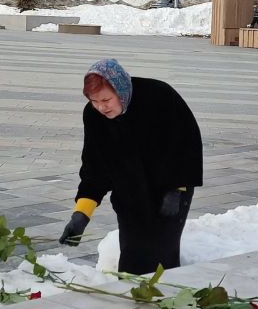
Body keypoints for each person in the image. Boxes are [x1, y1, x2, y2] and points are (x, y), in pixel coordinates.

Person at [59, 59, 203, 275]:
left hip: (169, 190)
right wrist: (81, 214)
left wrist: (177, 188)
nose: (101, 107)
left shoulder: (159, 96)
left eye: (106, 99)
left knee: (162, 253)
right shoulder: (94, 117)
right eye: (94, 101)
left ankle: (167, 300)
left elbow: (184, 143)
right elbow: (94, 166)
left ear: (121, 90)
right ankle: (131, 300)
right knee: (133, 255)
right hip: (129, 193)